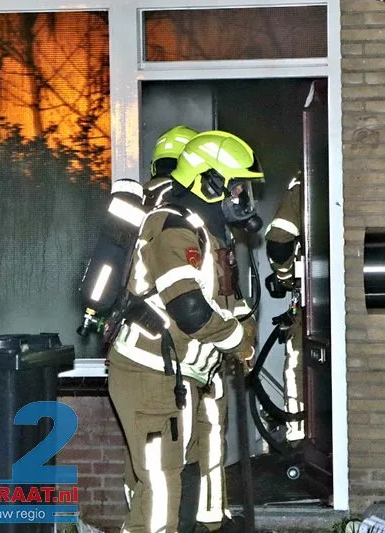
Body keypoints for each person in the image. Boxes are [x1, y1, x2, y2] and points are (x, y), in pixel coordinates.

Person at [107, 130, 263, 533]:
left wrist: (245, 330)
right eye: (238, 188)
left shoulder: (207, 232)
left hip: (178, 375)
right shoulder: (172, 228)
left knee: (180, 475)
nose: (244, 198)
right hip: (148, 373)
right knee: (159, 484)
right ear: (210, 183)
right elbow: (189, 309)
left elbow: (223, 298)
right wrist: (237, 340)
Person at [264, 171, 305, 442]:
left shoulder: (302, 184)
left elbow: (279, 240)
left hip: (313, 305)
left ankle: (300, 438)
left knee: (298, 370)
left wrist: (287, 278)